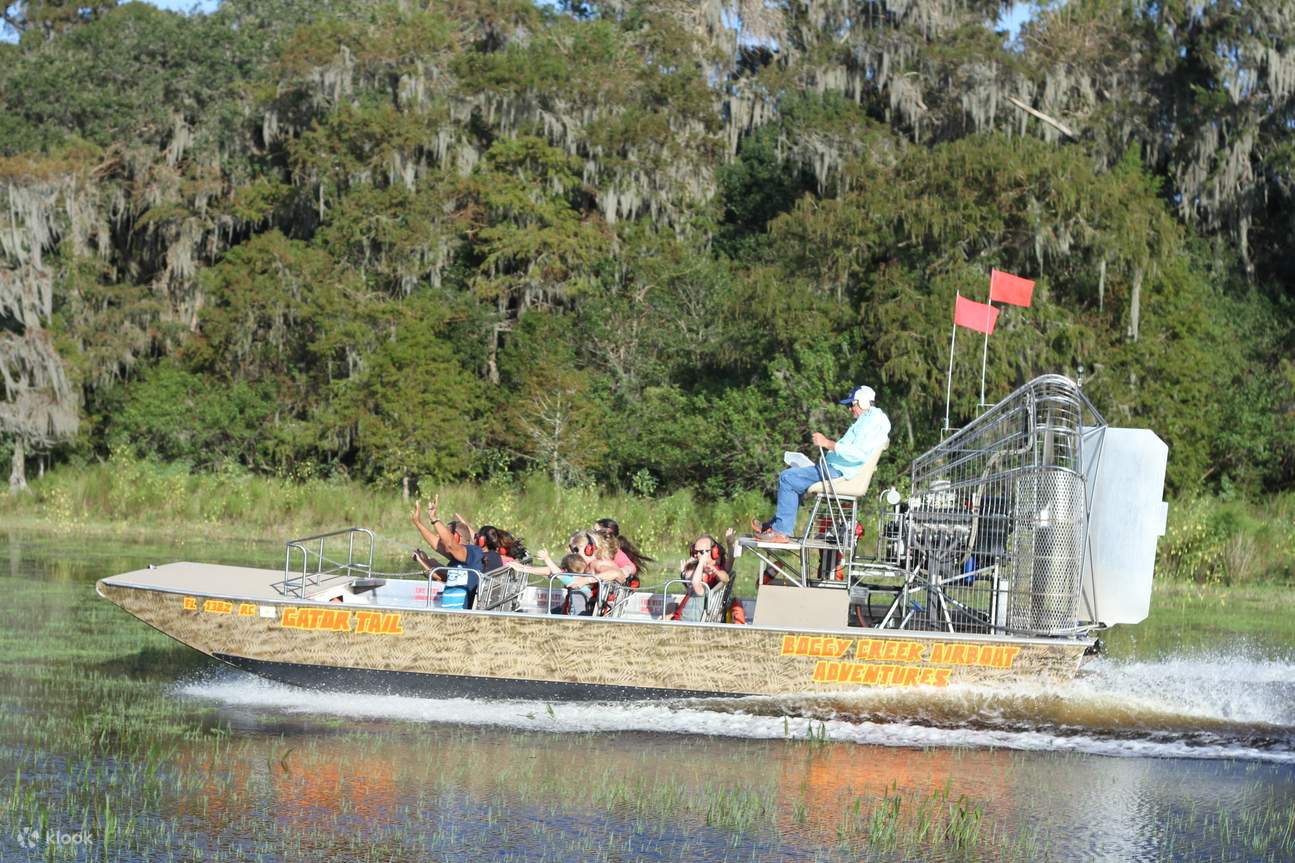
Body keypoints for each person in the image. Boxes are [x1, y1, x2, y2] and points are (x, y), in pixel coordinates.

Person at [753, 384, 890, 543]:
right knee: (795, 478)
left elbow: (857, 454)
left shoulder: (870, 423)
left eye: (852, 405)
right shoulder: (872, 421)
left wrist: (827, 443)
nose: (850, 409)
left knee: (787, 478)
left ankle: (780, 532)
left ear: (864, 402)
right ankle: (776, 526)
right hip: (836, 469)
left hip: (837, 472)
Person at [410, 495, 483, 608]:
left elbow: (449, 544)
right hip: (449, 614)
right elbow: (436, 544)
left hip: (462, 616)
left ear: (456, 538)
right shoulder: (456, 558)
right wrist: (417, 523)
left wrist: (433, 518)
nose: (440, 537)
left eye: (444, 535)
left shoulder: (471, 553)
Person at [508, 550, 598, 615]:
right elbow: (550, 571)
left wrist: (547, 559)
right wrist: (523, 568)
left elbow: (558, 574)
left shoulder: (576, 583)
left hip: (577, 618)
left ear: (566, 569)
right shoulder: (583, 578)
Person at [672, 533, 730, 622]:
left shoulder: (711, 571)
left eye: (701, 552)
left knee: (670, 608)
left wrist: (702, 563)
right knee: (670, 606)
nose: (697, 555)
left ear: (714, 552)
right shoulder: (702, 568)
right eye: (695, 552)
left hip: (690, 617)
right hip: (688, 610)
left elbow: (726, 578)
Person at [593, 518, 653, 587]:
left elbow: (631, 567)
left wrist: (623, 571)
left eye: (595, 531)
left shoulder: (614, 552)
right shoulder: (593, 549)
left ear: (607, 532)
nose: (591, 534)